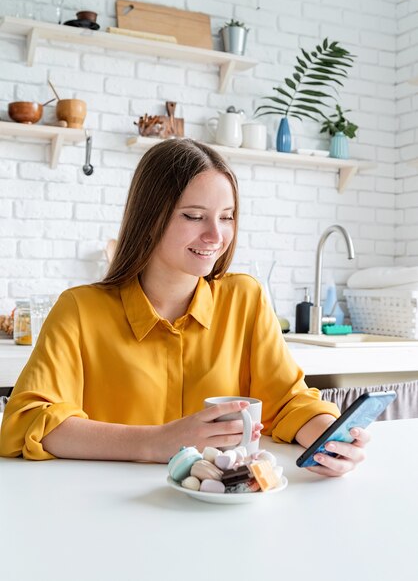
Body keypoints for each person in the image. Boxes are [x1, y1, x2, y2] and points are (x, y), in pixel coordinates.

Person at [0, 138, 369, 477]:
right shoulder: (80, 310)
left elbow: (289, 401)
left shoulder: (246, 299)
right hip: (109, 516)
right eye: (193, 216)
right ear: (149, 218)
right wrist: (156, 441)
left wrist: (330, 439)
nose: (215, 235)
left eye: (226, 216)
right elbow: (28, 422)